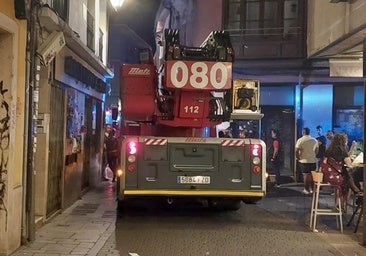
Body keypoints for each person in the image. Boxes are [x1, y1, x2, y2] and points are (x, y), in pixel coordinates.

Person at [323, 133, 362, 211]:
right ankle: (354, 195)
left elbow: (345, 158)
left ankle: (355, 193)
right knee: (348, 179)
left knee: (347, 176)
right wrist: (357, 164)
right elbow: (349, 164)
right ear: (343, 141)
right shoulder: (341, 150)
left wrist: (352, 147)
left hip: (326, 175)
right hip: (335, 177)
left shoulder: (329, 149)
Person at [295, 127, 318, 195]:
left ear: (303, 132)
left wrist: (298, 157)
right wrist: (313, 155)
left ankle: (306, 189)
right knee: (312, 175)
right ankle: (313, 190)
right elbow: (317, 150)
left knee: (305, 175)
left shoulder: (300, 140)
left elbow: (296, 150)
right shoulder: (314, 140)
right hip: (313, 160)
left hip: (303, 160)